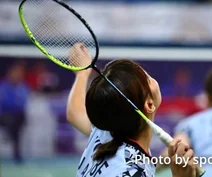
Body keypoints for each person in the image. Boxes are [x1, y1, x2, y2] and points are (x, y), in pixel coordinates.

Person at [66, 44, 198, 177]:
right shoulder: (130, 172)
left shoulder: (107, 132)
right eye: (147, 78)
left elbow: (75, 113)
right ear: (150, 104)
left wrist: (82, 73)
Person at [0, 61, 30, 164]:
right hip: (4, 115)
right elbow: (4, 103)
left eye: (19, 72)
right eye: (15, 72)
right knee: (11, 121)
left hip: (18, 116)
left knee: (17, 123)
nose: (17, 75)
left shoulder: (23, 87)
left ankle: (16, 154)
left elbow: (22, 104)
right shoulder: (3, 86)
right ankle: (9, 133)